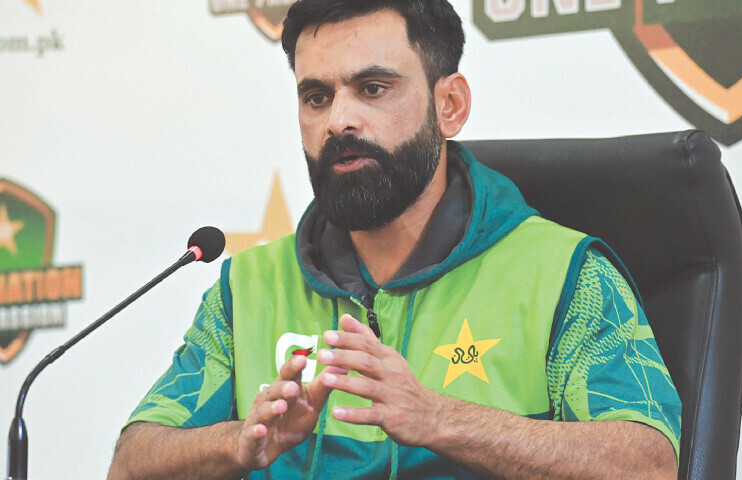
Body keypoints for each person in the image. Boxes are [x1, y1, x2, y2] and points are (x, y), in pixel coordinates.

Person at [108, 0, 681, 478]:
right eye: (316, 97)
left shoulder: (565, 274)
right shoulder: (248, 287)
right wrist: (236, 443)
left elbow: (649, 464)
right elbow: (130, 464)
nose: (338, 121)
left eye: (373, 88)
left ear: (449, 105)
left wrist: (442, 420)